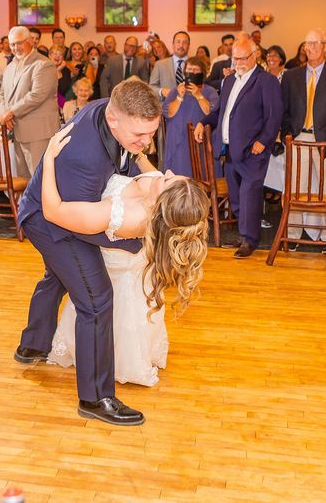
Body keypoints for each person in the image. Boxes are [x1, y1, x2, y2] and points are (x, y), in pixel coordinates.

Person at [14, 79, 165, 426]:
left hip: (63, 209)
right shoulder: (85, 156)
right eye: (139, 135)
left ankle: (33, 344)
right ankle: (96, 398)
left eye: (151, 133)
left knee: (60, 276)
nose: (146, 143)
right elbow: (79, 223)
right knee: (96, 299)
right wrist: (131, 241)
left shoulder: (115, 109)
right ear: (114, 119)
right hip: (51, 221)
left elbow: (129, 161)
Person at [41, 123, 209, 386]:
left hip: (116, 266)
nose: (167, 172)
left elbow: (53, 211)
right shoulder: (158, 193)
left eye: (168, 179)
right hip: (131, 264)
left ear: (162, 202)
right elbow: (151, 171)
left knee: (118, 313)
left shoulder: (125, 217)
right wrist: (136, 147)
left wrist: (48, 159)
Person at [195, 35, 282, 257]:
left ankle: (250, 240)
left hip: (253, 150)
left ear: (255, 55)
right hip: (230, 149)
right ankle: (244, 235)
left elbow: (274, 116)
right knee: (236, 196)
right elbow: (221, 112)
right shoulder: (230, 81)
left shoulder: (266, 81)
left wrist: (263, 141)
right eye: (235, 58)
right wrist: (203, 122)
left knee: (250, 194)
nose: (238, 63)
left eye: (243, 58)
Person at [280, 29, 326, 244]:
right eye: (307, 43)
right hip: (298, 139)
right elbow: (284, 110)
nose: (310, 47)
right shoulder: (291, 76)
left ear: (325, 46)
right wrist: (286, 135)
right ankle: (293, 235)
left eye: (315, 43)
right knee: (295, 190)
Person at [0, 26, 60, 178]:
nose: (15, 48)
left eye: (19, 43)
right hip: (17, 131)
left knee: (40, 180)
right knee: (23, 181)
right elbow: (1, 95)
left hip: (38, 133)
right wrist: (3, 114)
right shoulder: (10, 67)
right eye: (12, 44)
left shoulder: (44, 64)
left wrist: (10, 113)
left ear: (30, 41)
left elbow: (37, 95)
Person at [163, 55, 218, 177]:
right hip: (178, 140)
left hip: (201, 140)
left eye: (195, 70)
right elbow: (168, 113)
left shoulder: (210, 91)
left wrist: (199, 95)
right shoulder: (175, 90)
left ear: (202, 73)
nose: (192, 73)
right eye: (189, 70)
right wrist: (179, 96)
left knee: (203, 174)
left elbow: (211, 112)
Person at [149, 31, 191, 98]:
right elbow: (151, 87)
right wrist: (161, 91)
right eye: (178, 42)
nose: (181, 45)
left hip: (190, 103)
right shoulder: (159, 64)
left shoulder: (196, 65)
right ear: (173, 44)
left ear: (189, 45)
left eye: (185, 42)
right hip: (166, 103)